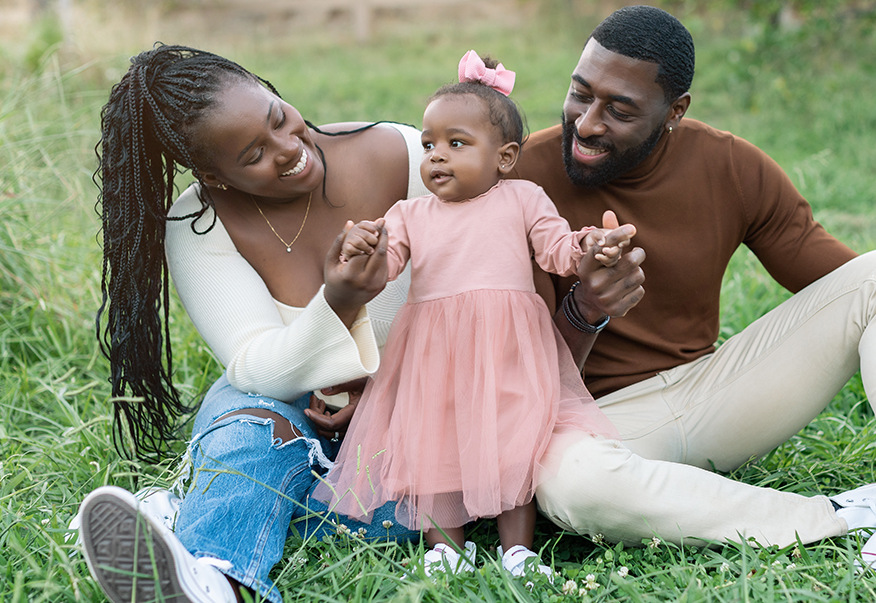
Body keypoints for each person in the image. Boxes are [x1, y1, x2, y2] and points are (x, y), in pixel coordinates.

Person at [75, 44, 637, 603]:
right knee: (250, 426)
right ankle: (216, 581)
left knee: (415, 503)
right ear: (211, 175)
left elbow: (507, 311)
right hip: (283, 407)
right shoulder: (198, 226)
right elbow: (256, 370)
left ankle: (206, 506)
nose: (290, 147)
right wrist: (339, 301)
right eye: (252, 156)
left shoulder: (412, 157)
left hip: (422, 412)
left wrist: (385, 392)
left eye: (278, 116)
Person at [506, 5, 876, 586]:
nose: (587, 123)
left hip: (711, 395)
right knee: (570, 485)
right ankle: (859, 514)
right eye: (579, 94)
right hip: (581, 419)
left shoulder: (729, 166)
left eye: (619, 109)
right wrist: (586, 310)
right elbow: (514, 376)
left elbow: (860, 287)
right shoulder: (517, 178)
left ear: (675, 111)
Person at [313, 50, 623, 578]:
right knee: (431, 442)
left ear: (503, 158)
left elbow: (556, 250)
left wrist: (590, 247)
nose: (436, 156)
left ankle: (517, 550)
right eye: (428, 145)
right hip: (433, 350)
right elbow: (384, 269)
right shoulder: (408, 214)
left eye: (456, 144)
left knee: (511, 440)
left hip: (506, 348)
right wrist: (363, 253)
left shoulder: (523, 198)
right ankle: (444, 546)